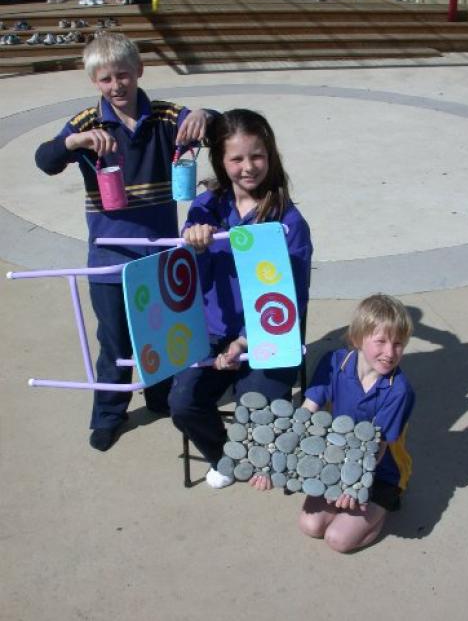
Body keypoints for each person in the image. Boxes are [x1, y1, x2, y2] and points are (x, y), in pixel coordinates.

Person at [35, 32, 215, 452]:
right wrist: (73, 143)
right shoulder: (87, 123)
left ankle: (158, 396)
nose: (116, 85)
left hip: (160, 255)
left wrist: (205, 114)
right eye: (105, 79)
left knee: (160, 336)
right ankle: (108, 415)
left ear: (139, 71)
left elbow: (223, 129)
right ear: (94, 82)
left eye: (123, 75)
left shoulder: (169, 117)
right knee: (114, 342)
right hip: (109, 258)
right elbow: (45, 160)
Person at [168, 108, 313, 489]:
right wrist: (194, 240)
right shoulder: (206, 206)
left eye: (257, 156)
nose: (248, 167)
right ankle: (227, 456)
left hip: (267, 334)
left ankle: (260, 447)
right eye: (236, 158)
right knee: (183, 403)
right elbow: (184, 265)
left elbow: (290, 298)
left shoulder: (288, 223)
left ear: (271, 156)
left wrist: (244, 341)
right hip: (213, 328)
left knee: (253, 402)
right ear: (221, 160)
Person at [293, 294, 415, 553]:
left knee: (338, 540)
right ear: (358, 338)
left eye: (399, 344)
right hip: (337, 460)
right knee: (310, 525)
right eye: (380, 341)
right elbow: (308, 411)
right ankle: (346, 506)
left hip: (379, 472)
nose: (390, 353)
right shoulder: (335, 362)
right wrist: (279, 457)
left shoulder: (399, 391)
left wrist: (353, 483)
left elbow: (378, 448)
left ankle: (384, 507)